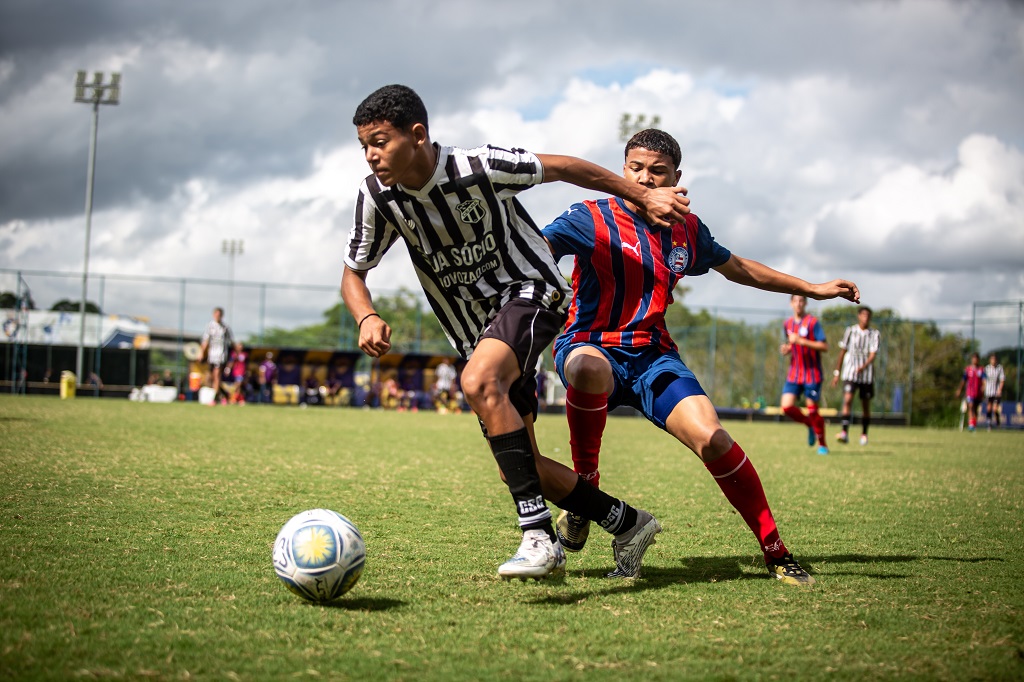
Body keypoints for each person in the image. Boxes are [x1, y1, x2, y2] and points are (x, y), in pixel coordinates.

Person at [342, 84, 690, 580]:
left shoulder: (479, 166)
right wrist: (366, 316)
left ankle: (538, 538)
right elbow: (353, 272)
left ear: (417, 135)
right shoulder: (376, 196)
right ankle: (629, 523)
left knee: (480, 381)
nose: (372, 155)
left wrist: (642, 194)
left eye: (380, 141)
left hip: (531, 290)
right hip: (474, 330)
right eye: (365, 146)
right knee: (519, 463)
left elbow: (569, 166)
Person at [542, 128, 860, 587]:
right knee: (590, 368)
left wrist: (810, 287)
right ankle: (585, 491)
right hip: (588, 342)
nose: (646, 179)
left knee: (713, 438)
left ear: (677, 177)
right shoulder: (590, 216)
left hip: (652, 355)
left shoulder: (686, 229)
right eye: (636, 169)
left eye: (658, 171)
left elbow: (739, 268)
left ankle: (776, 551)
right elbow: (533, 250)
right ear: (622, 170)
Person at [780, 295, 830, 455]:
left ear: (806, 303)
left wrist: (802, 341)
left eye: (802, 301)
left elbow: (824, 346)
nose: (799, 304)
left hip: (812, 374)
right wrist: (787, 349)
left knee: (813, 410)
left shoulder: (813, 322)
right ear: (791, 303)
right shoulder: (787, 323)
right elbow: (790, 344)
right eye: (796, 301)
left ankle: (822, 444)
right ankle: (809, 423)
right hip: (794, 373)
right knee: (786, 407)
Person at [831, 306, 881, 445]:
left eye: (868, 316)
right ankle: (844, 432)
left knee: (865, 404)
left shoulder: (874, 334)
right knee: (847, 399)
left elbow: (873, 354)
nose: (865, 318)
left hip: (867, 375)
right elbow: (842, 351)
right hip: (850, 373)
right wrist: (837, 372)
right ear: (859, 316)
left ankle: (864, 434)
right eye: (863, 315)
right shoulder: (851, 331)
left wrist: (863, 366)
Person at [200, 307, 234, 403]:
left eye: (219, 315)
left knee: (217, 376)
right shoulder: (210, 326)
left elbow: (231, 341)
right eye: (216, 314)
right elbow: (205, 341)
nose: (218, 316)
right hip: (212, 356)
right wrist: (201, 353)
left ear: (222, 316)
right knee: (211, 378)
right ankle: (224, 395)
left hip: (221, 355)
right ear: (214, 315)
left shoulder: (225, 327)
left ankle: (214, 400)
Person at [956, 352, 984, 432]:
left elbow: (984, 380)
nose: (975, 360)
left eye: (976, 358)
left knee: (975, 409)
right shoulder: (968, 369)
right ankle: (970, 424)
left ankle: (973, 424)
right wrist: (959, 390)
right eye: (973, 358)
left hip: (978, 393)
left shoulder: (981, 369)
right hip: (970, 392)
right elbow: (963, 380)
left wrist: (983, 388)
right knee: (970, 406)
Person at [982, 354, 1005, 430]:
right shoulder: (987, 368)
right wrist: (983, 387)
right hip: (989, 392)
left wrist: (1000, 390)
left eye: (994, 359)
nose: (993, 361)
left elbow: (1002, 380)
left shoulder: (999, 368)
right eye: (992, 359)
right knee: (989, 408)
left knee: (995, 409)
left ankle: (998, 423)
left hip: (996, 392)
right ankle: (989, 424)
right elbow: (984, 379)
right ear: (990, 360)